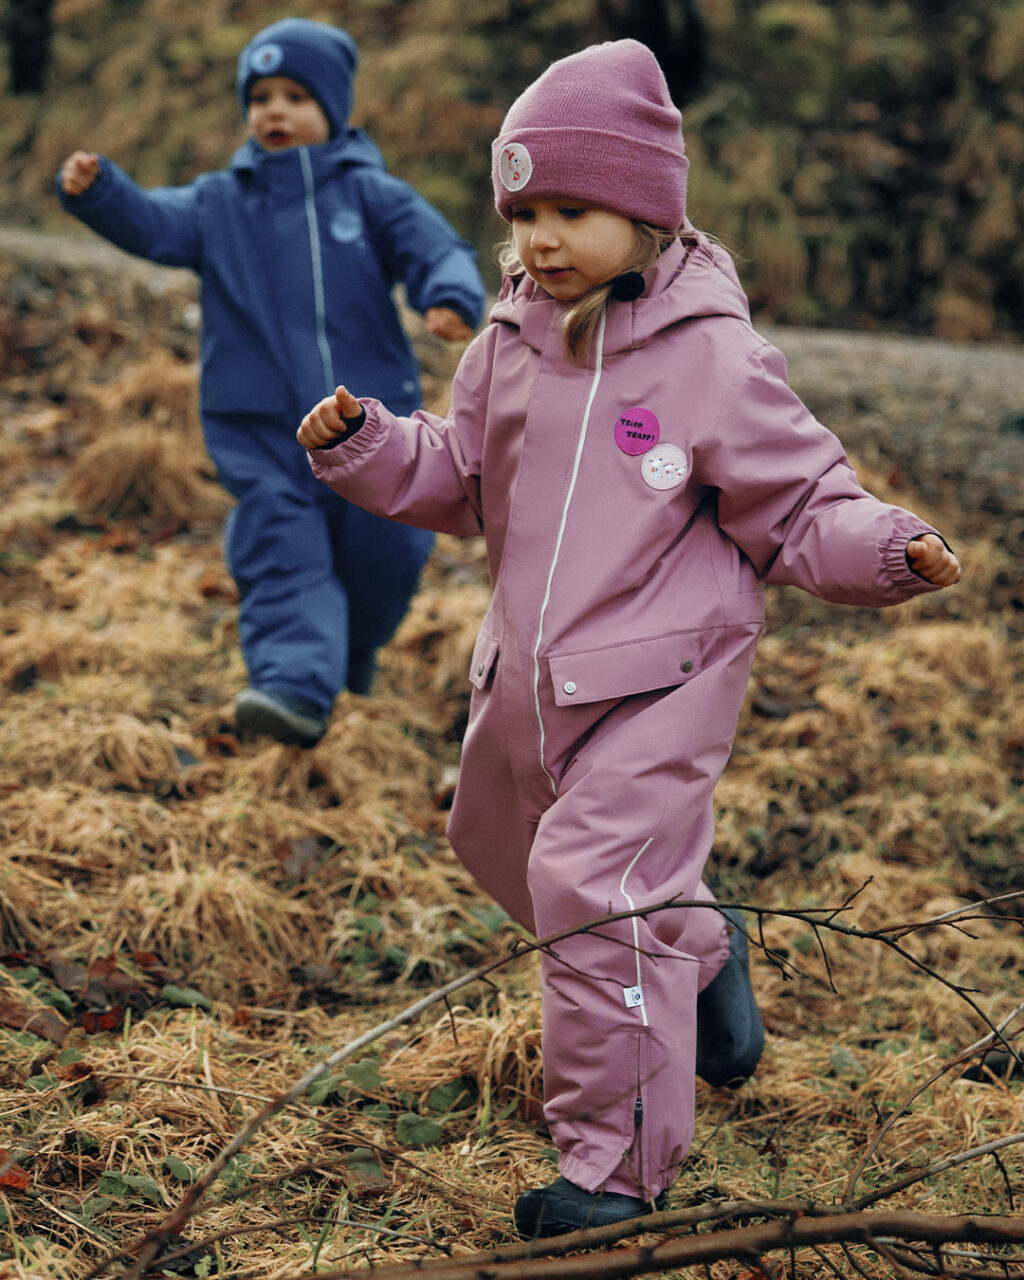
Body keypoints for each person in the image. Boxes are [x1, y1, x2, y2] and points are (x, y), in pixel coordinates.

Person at [297, 39, 961, 1237]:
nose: (544, 238)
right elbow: (460, 477)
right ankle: (700, 944)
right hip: (530, 677)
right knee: (501, 847)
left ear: (647, 215)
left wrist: (884, 548)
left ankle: (615, 1172)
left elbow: (802, 498)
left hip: (665, 677)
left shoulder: (709, 355)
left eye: (576, 209)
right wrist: (368, 448)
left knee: (593, 890)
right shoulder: (505, 343)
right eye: (528, 211)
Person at [57, 17, 486, 746]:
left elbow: (433, 245)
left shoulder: (371, 196)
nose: (274, 111)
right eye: (259, 98)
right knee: (282, 547)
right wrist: (105, 194)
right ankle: (292, 686)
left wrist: (449, 296)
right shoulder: (221, 202)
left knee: (387, 553)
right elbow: (155, 224)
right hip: (261, 429)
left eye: (294, 95)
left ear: (334, 108)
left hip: (369, 429)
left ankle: (349, 651)